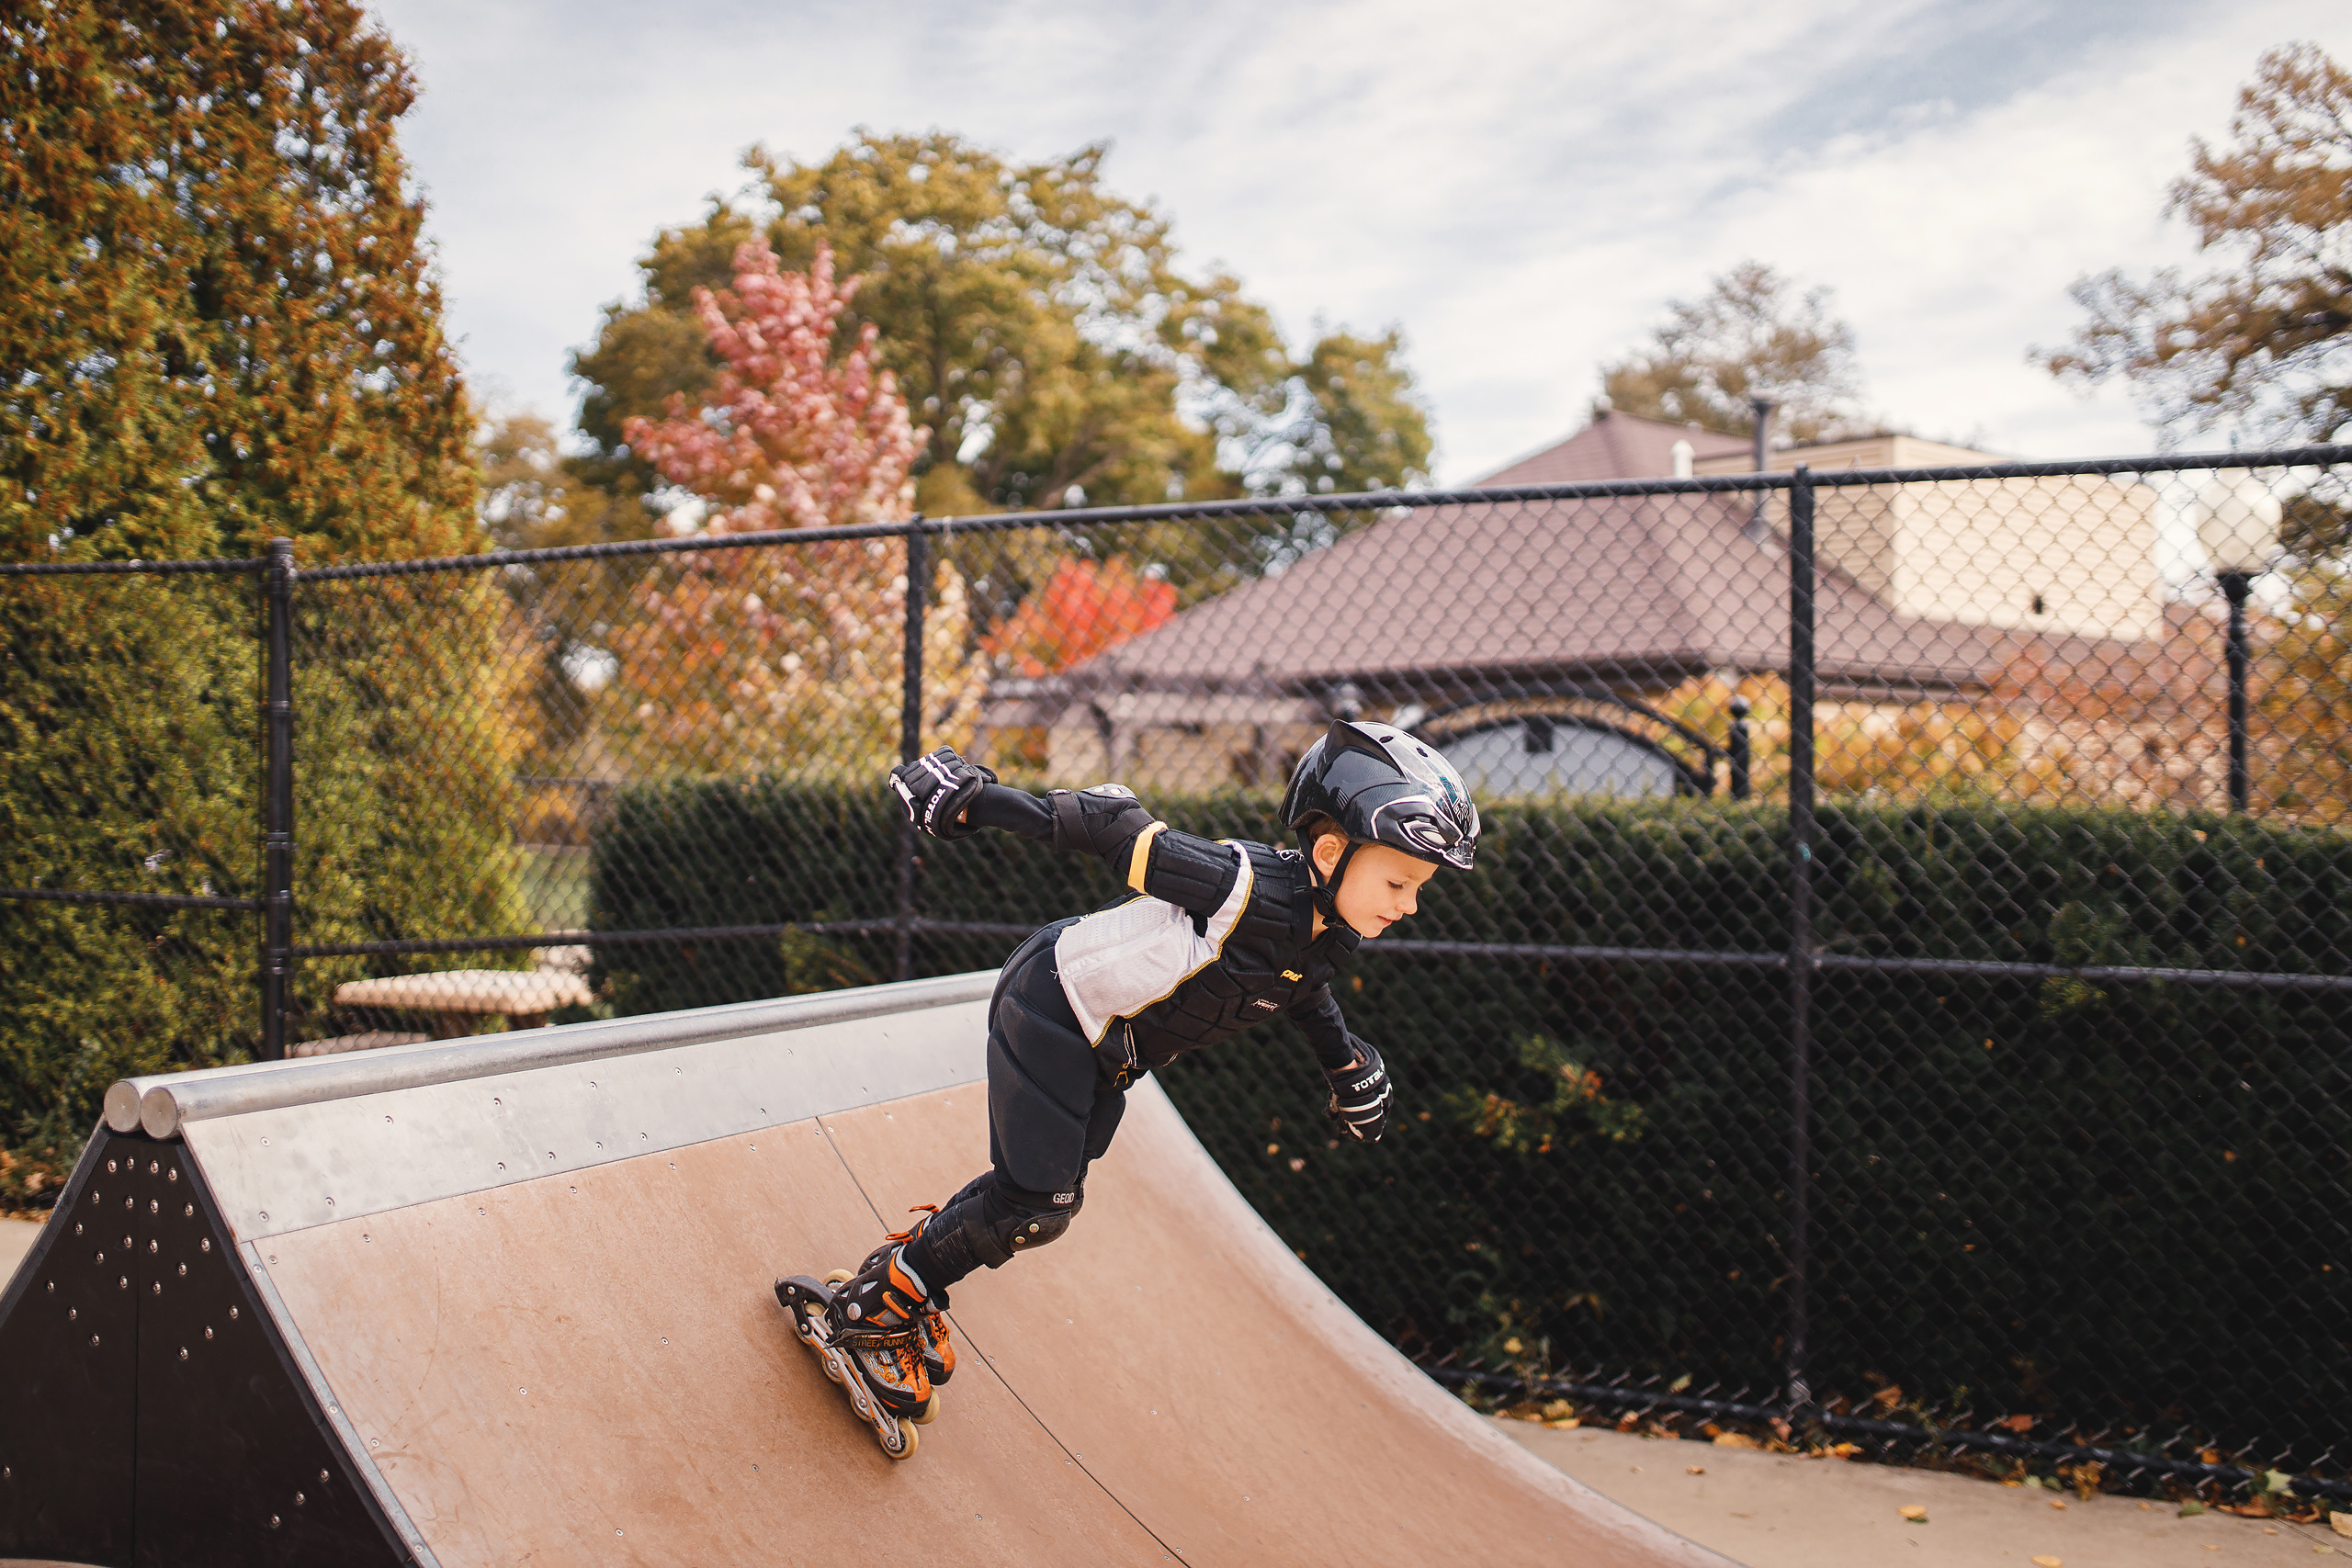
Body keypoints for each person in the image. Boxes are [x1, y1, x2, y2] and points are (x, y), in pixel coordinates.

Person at [797, 718, 1479, 1428]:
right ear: (1332, 850)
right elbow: (1114, 827)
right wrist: (976, 802)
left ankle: (903, 1277)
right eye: (1399, 880)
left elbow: (1306, 993)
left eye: (1418, 887)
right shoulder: (1242, 885)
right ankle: (875, 1307)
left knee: (1033, 1195)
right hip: (1053, 1005)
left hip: (1104, 1051)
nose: (1408, 904)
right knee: (1039, 1204)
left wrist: (1346, 1065)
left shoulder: (1328, 938)